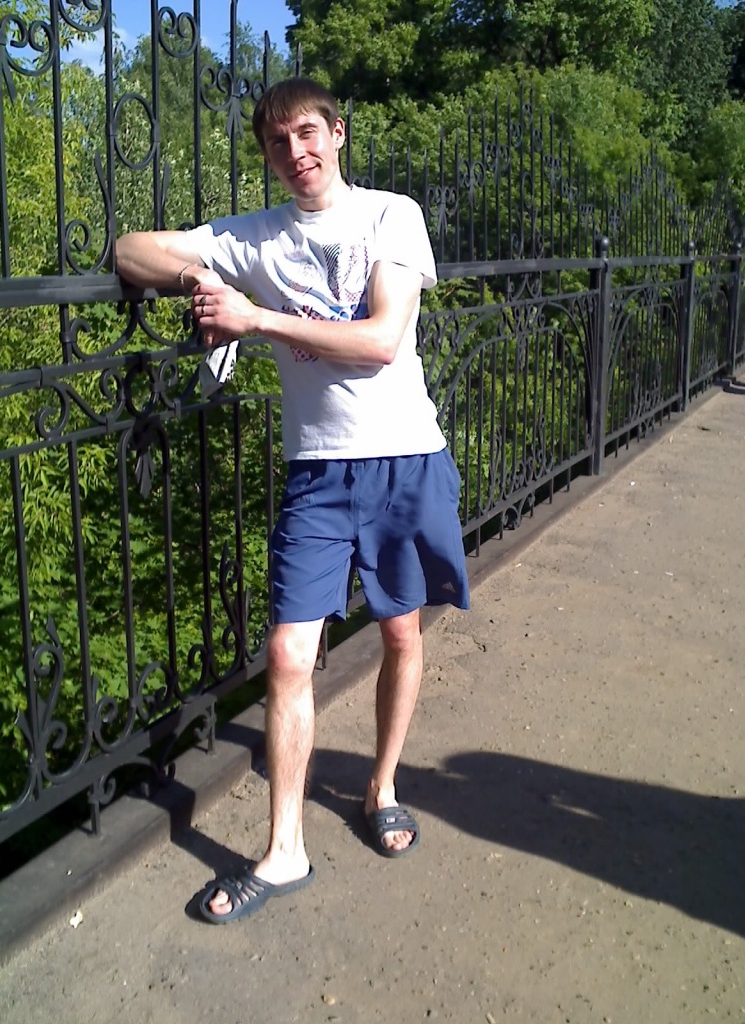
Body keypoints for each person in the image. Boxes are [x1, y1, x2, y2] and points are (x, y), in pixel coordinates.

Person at [115, 77, 469, 924]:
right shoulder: (257, 236)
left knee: (399, 632)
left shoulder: (390, 215)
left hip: (403, 458)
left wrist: (257, 319)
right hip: (317, 472)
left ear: (337, 133)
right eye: (278, 142)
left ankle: (382, 786)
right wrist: (202, 276)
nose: (296, 152)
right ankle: (284, 852)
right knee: (286, 654)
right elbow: (129, 250)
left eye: (308, 133)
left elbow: (381, 340)